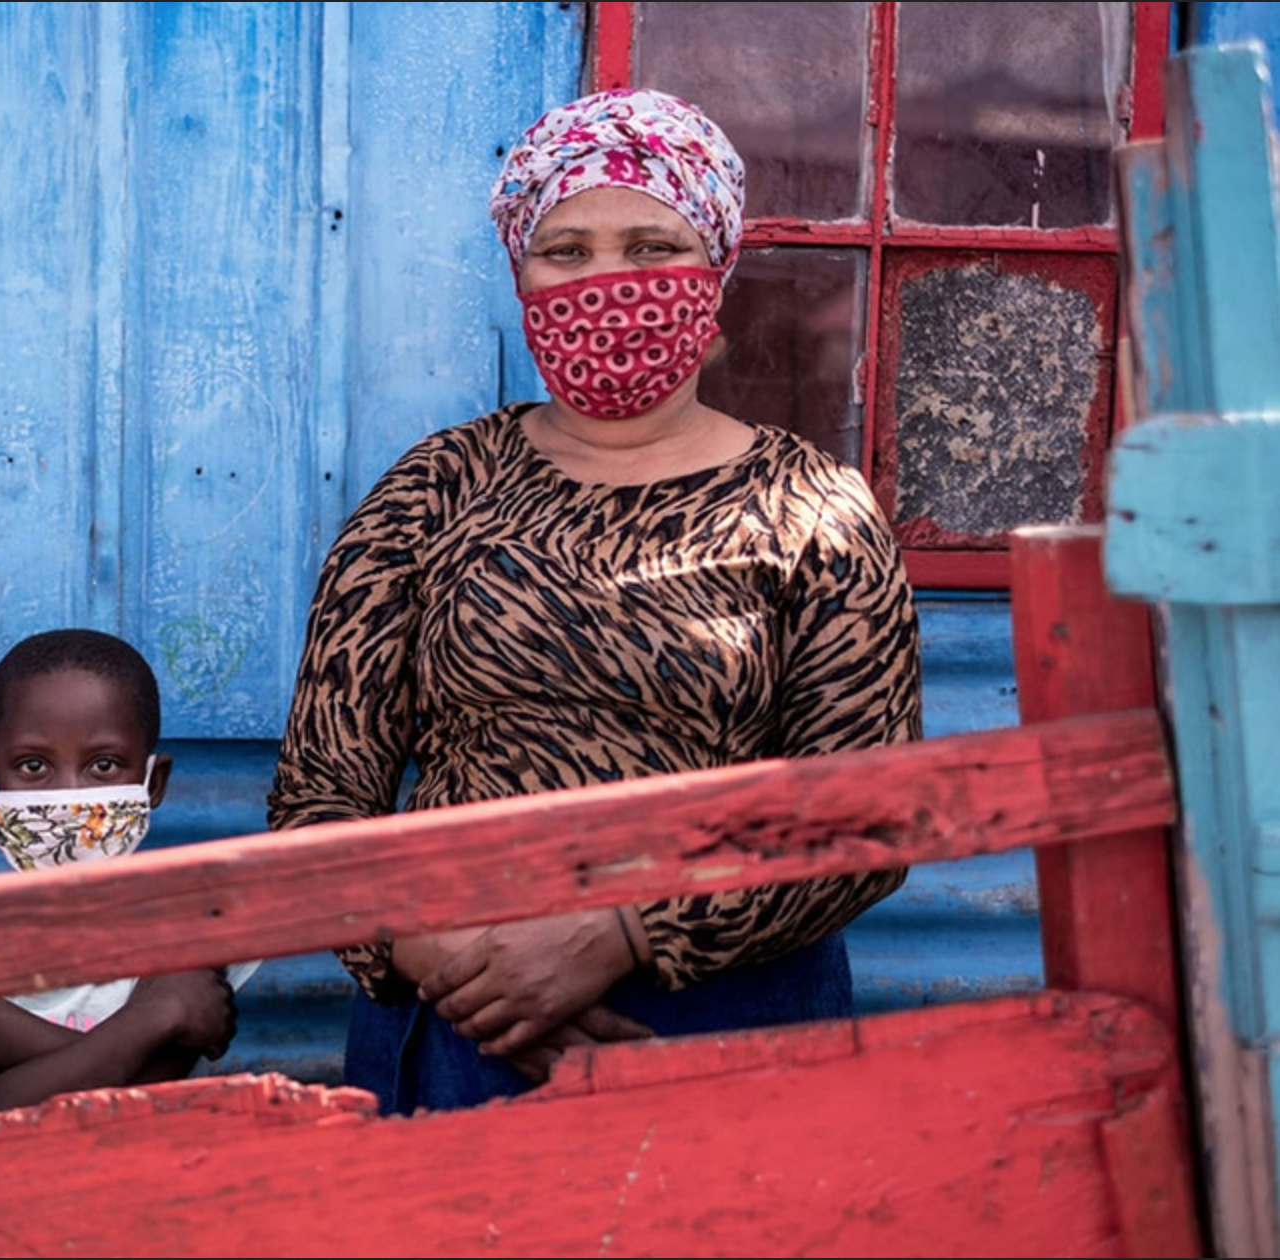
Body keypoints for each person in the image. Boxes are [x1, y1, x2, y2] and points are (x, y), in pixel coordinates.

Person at [266, 88, 922, 1116]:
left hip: (725, 1027)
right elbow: (317, 802)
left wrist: (620, 933)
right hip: (453, 1025)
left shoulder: (812, 510)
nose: (607, 282)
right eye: (564, 250)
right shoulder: (434, 489)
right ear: (519, 273)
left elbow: (867, 814)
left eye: (650, 246)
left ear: (714, 271)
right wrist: (457, 970)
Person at [0, 628, 242, 1122]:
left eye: (103, 765)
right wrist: (160, 1016)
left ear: (152, 782)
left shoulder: (190, 926)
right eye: (33, 766)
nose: (69, 796)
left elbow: (136, 1105)